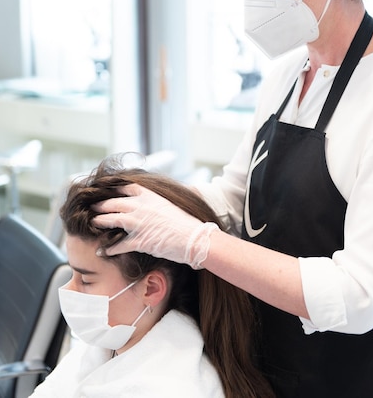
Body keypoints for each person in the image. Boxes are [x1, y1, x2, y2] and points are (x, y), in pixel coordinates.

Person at [93, 0, 373, 397]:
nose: (251, 0)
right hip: (271, 364)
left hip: (355, 376)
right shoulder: (291, 71)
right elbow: (240, 197)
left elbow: (360, 295)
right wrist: (142, 201)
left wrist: (198, 242)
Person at [29, 155, 274, 398]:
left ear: (151, 289)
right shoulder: (114, 340)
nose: (69, 290)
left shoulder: (174, 388)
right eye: (73, 273)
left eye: (86, 280)